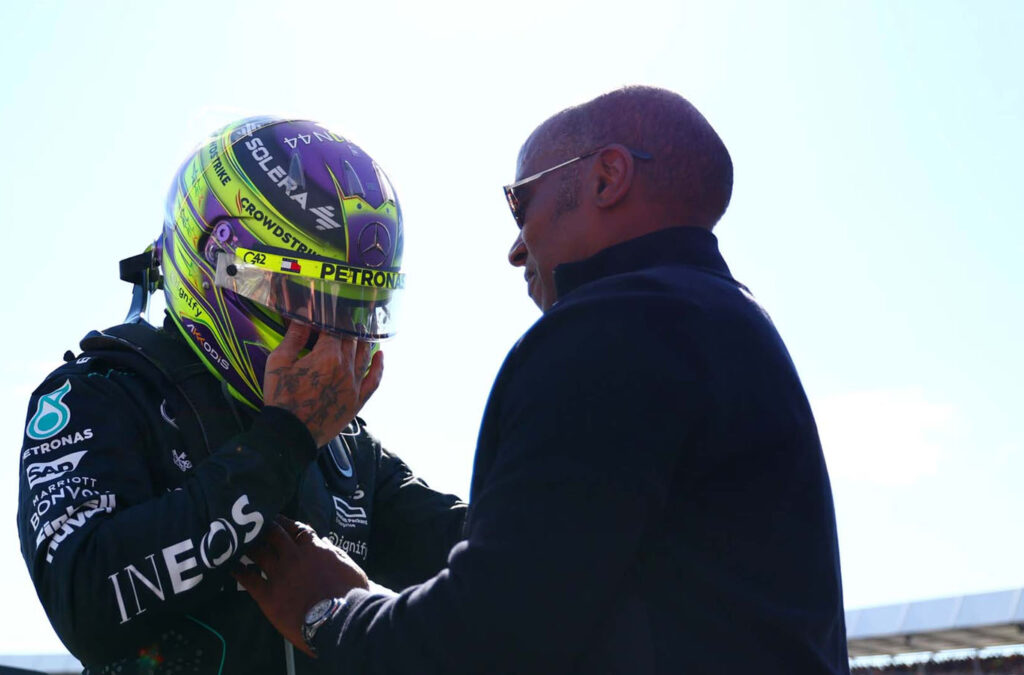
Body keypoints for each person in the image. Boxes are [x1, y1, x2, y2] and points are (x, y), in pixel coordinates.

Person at [236, 87, 851, 674]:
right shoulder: (726, 323)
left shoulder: (612, 326)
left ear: (606, 177)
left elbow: (491, 644)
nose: (515, 248)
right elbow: (566, 568)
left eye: (519, 202)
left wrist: (329, 614)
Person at [16, 116, 466, 674]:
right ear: (219, 266)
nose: (340, 339)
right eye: (314, 301)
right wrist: (282, 443)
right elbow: (84, 604)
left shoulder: (347, 447)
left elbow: (485, 560)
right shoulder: (98, 397)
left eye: (356, 309)